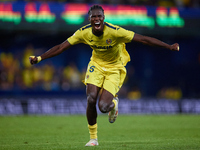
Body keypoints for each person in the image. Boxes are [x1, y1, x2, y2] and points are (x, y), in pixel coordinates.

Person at [29, 4, 179, 146]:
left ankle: (113, 105)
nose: (97, 19)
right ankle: (93, 138)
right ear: (89, 19)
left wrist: (168, 46)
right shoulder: (83, 33)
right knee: (91, 98)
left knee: (103, 107)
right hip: (96, 66)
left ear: (104, 17)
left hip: (114, 68)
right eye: (93, 17)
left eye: (99, 16)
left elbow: (144, 39)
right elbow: (61, 47)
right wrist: (40, 58)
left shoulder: (115, 31)